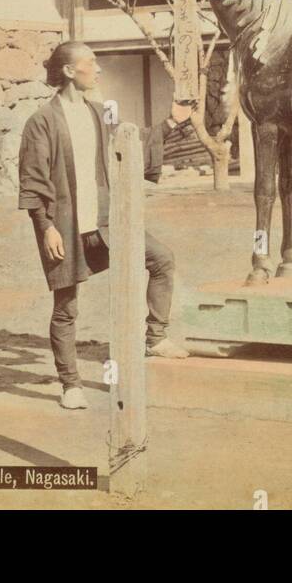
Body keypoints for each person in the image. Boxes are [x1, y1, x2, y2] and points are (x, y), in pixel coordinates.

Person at [18, 40, 189, 411]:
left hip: (107, 224)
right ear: (68, 70)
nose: (98, 69)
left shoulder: (99, 112)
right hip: (64, 227)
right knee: (66, 308)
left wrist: (172, 122)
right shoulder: (42, 122)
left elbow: (134, 142)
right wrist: (46, 226)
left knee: (161, 259)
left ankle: (155, 337)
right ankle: (70, 384)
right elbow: (33, 181)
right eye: (91, 62)